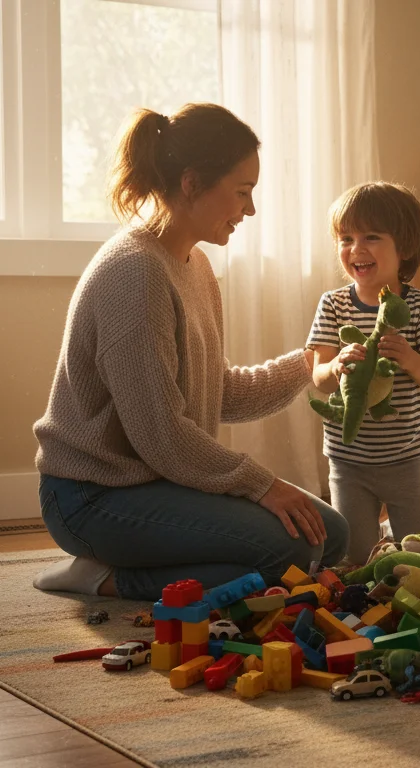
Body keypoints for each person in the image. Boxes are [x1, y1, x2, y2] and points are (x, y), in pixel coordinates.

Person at [31, 103, 348, 601]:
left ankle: (158, 561)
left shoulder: (194, 265)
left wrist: (311, 362)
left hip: (158, 482)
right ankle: (103, 576)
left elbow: (217, 392)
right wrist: (261, 484)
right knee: (287, 552)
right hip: (93, 497)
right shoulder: (135, 273)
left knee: (329, 536)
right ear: (192, 182)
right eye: (242, 192)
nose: (250, 209)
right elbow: (162, 434)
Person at [307, 182, 420, 566]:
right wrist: (336, 366)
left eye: (371, 236)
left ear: (404, 247)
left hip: (406, 456)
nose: (356, 248)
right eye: (346, 238)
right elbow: (317, 377)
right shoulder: (333, 304)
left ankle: (397, 544)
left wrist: (410, 359)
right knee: (357, 559)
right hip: (347, 457)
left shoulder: (419, 307)